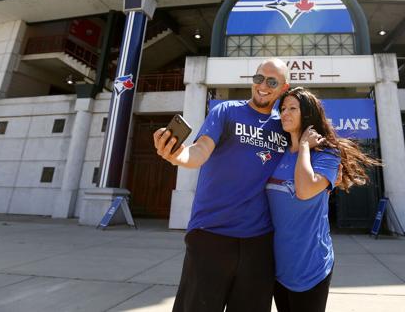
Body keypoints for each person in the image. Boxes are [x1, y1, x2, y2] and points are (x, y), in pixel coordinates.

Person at [153, 58, 290, 312]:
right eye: (259, 78)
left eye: (272, 81)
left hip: (259, 242)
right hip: (210, 234)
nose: (263, 86)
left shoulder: (284, 126)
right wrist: (178, 155)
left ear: (283, 87)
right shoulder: (226, 111)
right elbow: (200, 150)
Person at [267, 87, 381, 312]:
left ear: (308, 113)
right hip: (278, 265)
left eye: (292, 108)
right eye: (282, 109)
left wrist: (304, 149)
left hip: (311, 266)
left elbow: (304, 190)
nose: (285, 113)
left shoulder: (327, 154)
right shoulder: (276, 153)